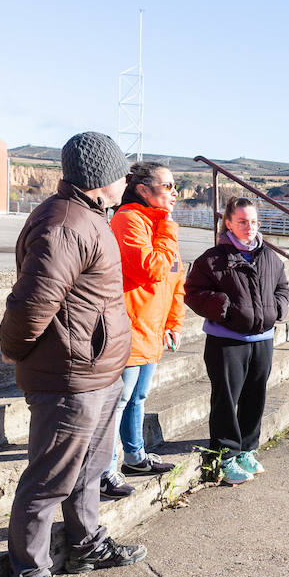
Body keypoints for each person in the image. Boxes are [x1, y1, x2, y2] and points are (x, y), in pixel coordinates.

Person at [0, 131, 145, 577]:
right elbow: (34, 301)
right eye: (123, 173)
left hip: (98, 372)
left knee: (89, 469)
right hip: (68, 377)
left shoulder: (90, 216)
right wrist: (14, 349)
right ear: (104, 179)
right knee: (50, 478)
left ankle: (86, 544)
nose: (127, 181)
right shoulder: (65, 223)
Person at [184, 197, 289, 486]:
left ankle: (246, 450)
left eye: (253, 222)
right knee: (226, 400)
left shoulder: (269, 256)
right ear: (228, 223)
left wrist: (277, 309)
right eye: (242, 221)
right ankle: (225, 456)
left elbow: (282, 287)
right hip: (226, 342)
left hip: (262, 339)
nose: (249, 227)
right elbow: (193, 292)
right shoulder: (213, 259)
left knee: (255, 397)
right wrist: (225, 309)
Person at [102, 162, 186, 498]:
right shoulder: (128, 220)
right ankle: (106, 470)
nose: (174, 193)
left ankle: (134, 456)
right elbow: (151, 269)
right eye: (167, 186)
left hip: (152, 328)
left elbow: (175, 278)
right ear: (143, 189)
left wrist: (173, 323)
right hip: (130, 326)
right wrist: (166, 230)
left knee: (138, 397)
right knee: (118, 401)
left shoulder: (161, 223)